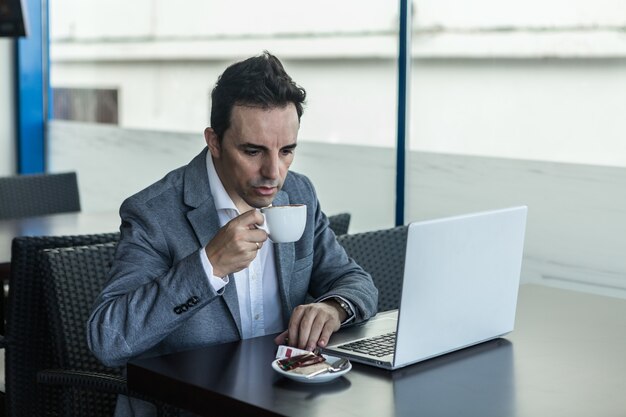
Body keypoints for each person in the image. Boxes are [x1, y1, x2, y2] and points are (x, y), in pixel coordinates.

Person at [87, 51, 378, 416]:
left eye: (286, 151)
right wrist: (208, 266)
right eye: (253, 151)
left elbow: (356, 281)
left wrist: (333, 307)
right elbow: (108, 338)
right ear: (214, 141)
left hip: (286, 398)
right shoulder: (155, 212)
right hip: (188, 405)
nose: (274, 172)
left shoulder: (299, 193)